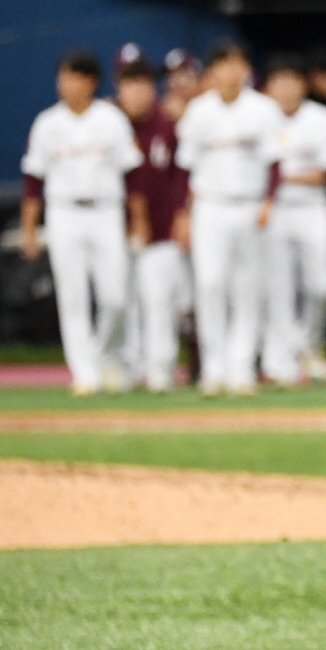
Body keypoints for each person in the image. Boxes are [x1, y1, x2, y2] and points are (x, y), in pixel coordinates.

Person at [19, 50, 144, 396]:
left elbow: (132, 175)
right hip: (64, 213)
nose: (66, 84)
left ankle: (104, 354)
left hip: (106, 211)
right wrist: (30, 229)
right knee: (72, 298)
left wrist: (138, 221)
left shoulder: (111, 119)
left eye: (74, 76)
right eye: (63, 76)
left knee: (116, 295)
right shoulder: (48, 123)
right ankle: (84, 374)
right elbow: (33, 181)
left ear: (90, 81)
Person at [176, 38, 285, 397]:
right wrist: (184, 213)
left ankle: (241, 369)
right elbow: (185, 168)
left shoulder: (264, 109)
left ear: (246, 70)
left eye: (237, 64)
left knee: (247, 289)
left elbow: (274, 161)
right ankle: (214, 368)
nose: (231, 72)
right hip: (210, 206)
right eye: (223, 64)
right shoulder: (198, 112)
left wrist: (269, 200)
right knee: (209, 284)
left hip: (250, 205)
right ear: (212, 72)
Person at [114, 44, 195, 392]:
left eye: (143, 83)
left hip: (162, 229)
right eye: (129, 83)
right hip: (114, 229)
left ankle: (161, 371)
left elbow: (182, 173)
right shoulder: (109, 123)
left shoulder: (166, 123)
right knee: (121, 303)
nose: (137, 91)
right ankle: (127, 370)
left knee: (161, 302)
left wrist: (183, 214)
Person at [259, 53, 326, 385]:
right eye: (279, 81)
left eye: (292, 80)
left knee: (322, 284)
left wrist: (287, 176)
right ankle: (280, 361)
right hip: (274, 210)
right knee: (278, 288)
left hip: (312, 207)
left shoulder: (321, 117)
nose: (286, 88)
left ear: (303, 85)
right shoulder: (260, 116)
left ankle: (307, 342)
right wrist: (291, 176)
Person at [161, 47, 204, 123]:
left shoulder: (211, 105)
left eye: (183, 74)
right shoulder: (160, 113)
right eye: (171, 75)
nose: (177, 82)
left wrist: (184, 118)